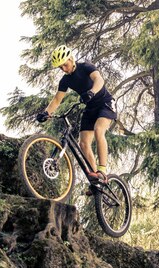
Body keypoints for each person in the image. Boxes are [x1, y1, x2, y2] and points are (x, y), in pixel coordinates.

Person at [36, 45, 117, 183]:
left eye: (65, 65)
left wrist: (92, 92)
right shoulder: (65, 80)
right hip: (90, 108)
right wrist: (46, 113)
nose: (64, 69)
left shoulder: (85, 67)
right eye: (60, 67)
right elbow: (57, 100)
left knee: (98, 130)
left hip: (105, 103)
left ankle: (102, 170)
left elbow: (99, 80)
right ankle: (96, 180)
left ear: (71, 58)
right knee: (83, 143)